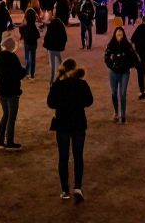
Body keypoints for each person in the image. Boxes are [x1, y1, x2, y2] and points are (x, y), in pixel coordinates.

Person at [47, 58, 94, 202]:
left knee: (63, 157)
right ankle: (78, 187)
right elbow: (89, 101)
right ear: (75, 69)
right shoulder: (82, 84)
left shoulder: (57, 85)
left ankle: (64, 190)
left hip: (62, 125)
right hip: (78, 124)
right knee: (78, 156)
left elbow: (50, 103)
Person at [0, 37, 25, 150]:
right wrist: (25, 71)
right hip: (12, 90)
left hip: (1, 90)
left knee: (6, 114)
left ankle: (0, 140)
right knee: (11, 117)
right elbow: (19, 73)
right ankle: (9, 141)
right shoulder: (13, 58)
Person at [104, 26, 138, 124]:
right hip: (113, 72)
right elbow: (106, 58)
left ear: (123, 35)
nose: (119, 35)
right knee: (114, 93)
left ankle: (123, 115)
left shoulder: (127, 45)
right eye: (117, 33)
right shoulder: (110, 45)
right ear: (115, 35)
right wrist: (112, 64)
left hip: (124, 72)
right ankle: (115, 112)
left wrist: (128, 64)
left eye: (121, 33)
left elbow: (134, 57)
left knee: (123, 93)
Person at [43, 16, 68, 85]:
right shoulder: (61, 27)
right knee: (60, 62)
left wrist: (46, 46)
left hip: (51, 48)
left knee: (53, 66)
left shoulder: (51, 27)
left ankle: (52, 81)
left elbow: (47, 38)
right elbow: (65, 38)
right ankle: (63, 76)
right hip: (58, 48)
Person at [19, 7, 41, 80]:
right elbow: (38, 35)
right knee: (33, 58)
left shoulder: (25, 26)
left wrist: (22, 35)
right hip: (33, 43)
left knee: (27, 58)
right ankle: (32, 74)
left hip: (27, 42)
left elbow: (21, 28)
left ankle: (26, 72)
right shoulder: (34, 27)